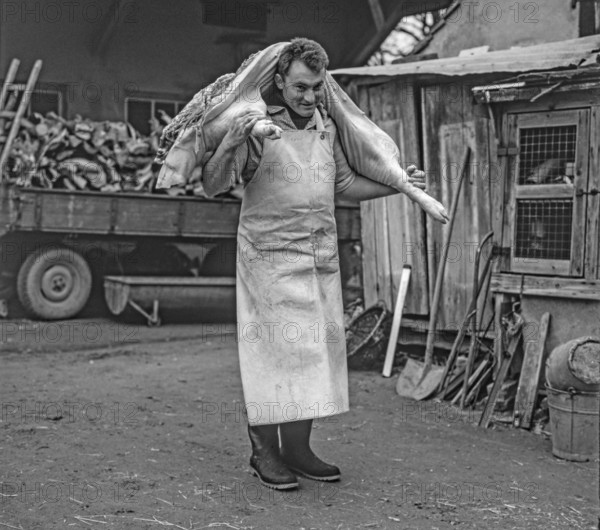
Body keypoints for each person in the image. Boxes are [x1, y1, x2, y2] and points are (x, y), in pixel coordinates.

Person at [203, 38, 448, 490]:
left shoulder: (325, 126)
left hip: (319, 256)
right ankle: (264, 452)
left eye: (316, 87)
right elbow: (213, 185)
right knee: (273, 355)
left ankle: (297, 448)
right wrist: (233, 139)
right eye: (299, 87)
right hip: (268, 259)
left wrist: (397, 186)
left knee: (314, 354)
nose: (308, 96)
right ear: (279, 81)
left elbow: (345, 185)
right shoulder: (258, 126)